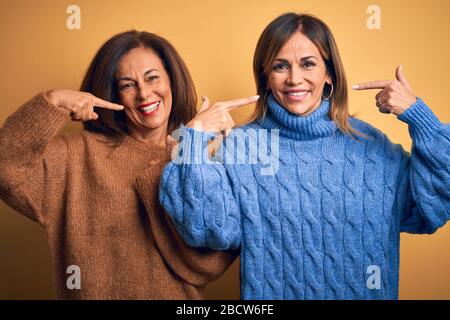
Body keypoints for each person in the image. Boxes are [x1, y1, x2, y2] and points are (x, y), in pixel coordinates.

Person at [159, 13, 450, 299]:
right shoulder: (243, 146)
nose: (294, 79)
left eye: (308, 64)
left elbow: (433, 209)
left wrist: (420, 117)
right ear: (266, 77)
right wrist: (192, 138)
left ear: (329, 75)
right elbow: (210, 229)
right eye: (280, 66)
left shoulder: (371, 146)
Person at [0, 30, 239, 299]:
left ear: (172, 81)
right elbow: (5, 169)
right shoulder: (76, 156)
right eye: (127, 85)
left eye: (152, 78)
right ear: (113, 93)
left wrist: (186, 156)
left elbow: (209, 262)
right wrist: (52, 100)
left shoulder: (198, 159)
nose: (144, 93)